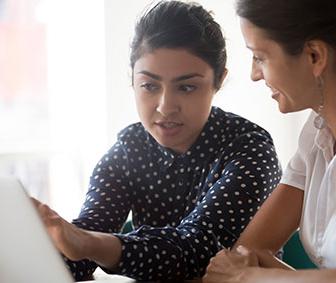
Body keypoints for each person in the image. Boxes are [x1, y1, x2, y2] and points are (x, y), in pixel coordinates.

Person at [32, 1, 281, 281]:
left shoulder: (249, 148)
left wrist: (88, 243)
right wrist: (40, 248)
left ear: (218, 81)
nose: (165, 107)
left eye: (187, 87)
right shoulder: (130, 149)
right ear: (133, 81)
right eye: (150, 86)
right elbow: (82, 243)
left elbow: (198, 250)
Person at [204, 0, 336, 282]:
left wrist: (248, 276)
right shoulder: (317, 134)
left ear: (315, 56)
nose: (255, 74)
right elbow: (248, 251)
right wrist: (253, 271)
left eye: (260, 57)